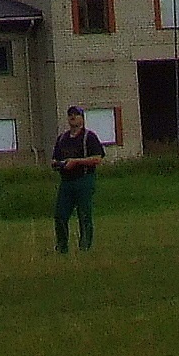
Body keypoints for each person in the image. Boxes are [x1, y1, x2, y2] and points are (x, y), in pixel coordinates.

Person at [51, 104, 104, 252]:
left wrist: (76, 162)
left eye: (76, 114)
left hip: (84, 179)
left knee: (84, 214)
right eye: (70, 115)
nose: (73, 117)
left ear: (82, 118)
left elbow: (97, 158)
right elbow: (54, 159)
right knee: (60, 215)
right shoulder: (62, 139)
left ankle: (85, 246)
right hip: (66, 182)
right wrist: (59, 164)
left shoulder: (89, 137)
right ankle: (62, 247)